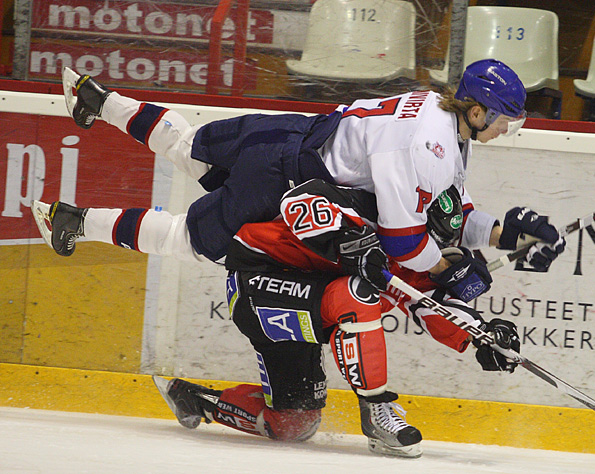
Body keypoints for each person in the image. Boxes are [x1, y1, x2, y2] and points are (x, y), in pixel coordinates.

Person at [32, 59, 565, 282]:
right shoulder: (429, 147)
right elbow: (405, 241)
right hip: (286, 177)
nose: (504, 132)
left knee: (190, 142)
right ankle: (75, 222)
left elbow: (446, 208)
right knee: (190, 238)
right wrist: (447, 269)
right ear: (477, 112)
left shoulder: (436, 111)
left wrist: (502, 233)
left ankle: (96, 99)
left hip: (295, 132)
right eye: (504, 123)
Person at [153, 179, 522, 458]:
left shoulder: (413, 254)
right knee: (357, 295)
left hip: (310, 303)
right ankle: (376, 411)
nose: (428, 253)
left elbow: (428, 303)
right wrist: (349, 239)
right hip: (258, 281)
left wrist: (480, 334)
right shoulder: (364, 204)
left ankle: (194, 400)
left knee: (294, 424)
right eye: (426, 239)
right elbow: (298, 200)